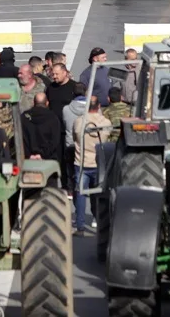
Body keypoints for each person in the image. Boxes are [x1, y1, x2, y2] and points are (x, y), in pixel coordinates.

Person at [72, 96, 112, 235]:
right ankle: (99, 222)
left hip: (81, 162)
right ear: (99, 106)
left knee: (81, 194)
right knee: (99, 194)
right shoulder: (106, 122)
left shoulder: (79, 122)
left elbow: (74, 137)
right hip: (98, 163)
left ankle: (80, 226)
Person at [22, 94, 63, 162]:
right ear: (47, 103)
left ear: (33, 102)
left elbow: (21, 138)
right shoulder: (53, 118)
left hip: (28, 160)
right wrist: (42, 155)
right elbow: (55, 141)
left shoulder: (24, 117)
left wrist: (28, 155)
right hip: (48, 160)